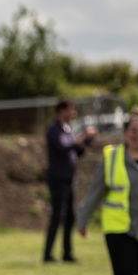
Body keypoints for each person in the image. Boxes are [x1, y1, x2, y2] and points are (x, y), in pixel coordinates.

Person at [77, 110, 138, 275]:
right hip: (118, 228)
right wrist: (82, 220)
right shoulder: (113, 157)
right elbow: (95, 192)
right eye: (133, 130)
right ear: (125, 133)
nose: (137, 134)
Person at [44, 98, 97, 262]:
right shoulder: (54, 129)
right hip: (57, 179)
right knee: (57, 216)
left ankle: (67, 253)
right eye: (70, 110)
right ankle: (47, 254)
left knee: (69, 217)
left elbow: (75, 151)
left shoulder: (68, 129)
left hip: (69, 178)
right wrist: (82, 137)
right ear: (62, 111)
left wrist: (86, 142)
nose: (73, 113)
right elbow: (64, 147)